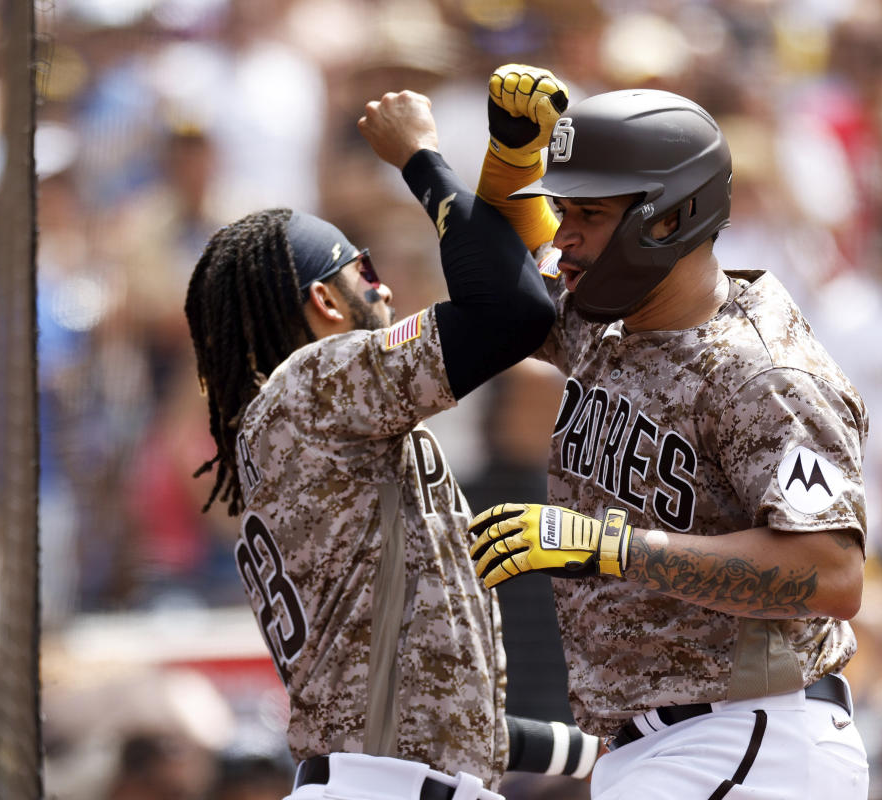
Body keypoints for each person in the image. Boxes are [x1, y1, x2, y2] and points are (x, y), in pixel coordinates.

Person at [468, 65, 871, 798]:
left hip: (752, 735)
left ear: (668, 218)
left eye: (588, 216)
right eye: (563, 212)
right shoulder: (612, 318)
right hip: (668, 744)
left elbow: (833, 574)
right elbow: (496, 288)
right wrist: (510, 158)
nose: (566, 238)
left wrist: (610, 547)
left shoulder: (764, 374)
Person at [185, 90, 598, 800]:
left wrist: (604, 752)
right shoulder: (315, 381)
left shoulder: (298, 426)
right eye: (364, 271)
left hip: (380, 779)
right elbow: (513, 311)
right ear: (324, 302)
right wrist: (422, 160)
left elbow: (453, 715)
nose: (385, 291)